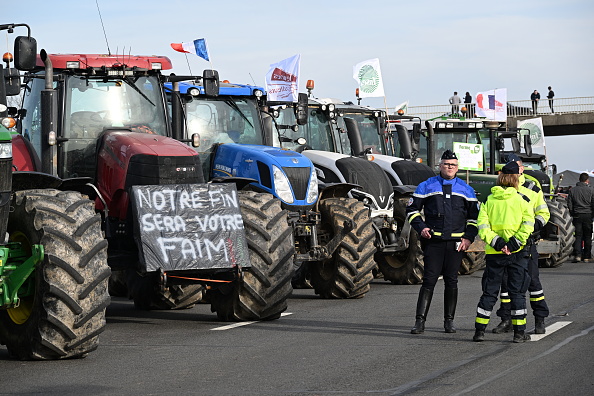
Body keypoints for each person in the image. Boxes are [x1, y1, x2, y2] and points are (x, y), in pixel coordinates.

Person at [406, 150, 479, 334]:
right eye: (446, 164)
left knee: (451, 281)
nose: (449, 167)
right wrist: (421, 227)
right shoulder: (426, 186)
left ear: (457, 167)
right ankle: (419, 322)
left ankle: (449, 322)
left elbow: (474, 218)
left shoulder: (466, 189)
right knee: (429, 280)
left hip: (456, 244)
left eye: (453, 165)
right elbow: (412, 210)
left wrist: (468, 238)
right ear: (440, 166)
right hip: (434, 242)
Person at [473, 161, 534, 343]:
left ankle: (479, 332)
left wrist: (498, 243)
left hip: (494, 253)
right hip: (516, 253)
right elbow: (528, 225)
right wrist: (513, 244)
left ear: (500, 177)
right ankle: (519, 333)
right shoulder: (522, 200)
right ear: (516, 178)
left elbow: (482, 227)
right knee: (517, 293)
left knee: (489, 293)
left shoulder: (488, 200)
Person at [492, 154, 550, 335]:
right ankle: (506, 319)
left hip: (526, 244)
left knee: (532, 282)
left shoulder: (532, 188)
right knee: (506, 285)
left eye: (516, 166)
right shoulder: (499, 189)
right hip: (505, 246)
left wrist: (531, 229)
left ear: (521, 168)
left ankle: (539, 319)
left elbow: (543, 213)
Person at [567, 172, 594, 262]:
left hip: (577, 215)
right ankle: (587, 256)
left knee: (578, 236)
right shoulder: (591, 190)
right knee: (587, 236)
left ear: (579, 179)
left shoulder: (572, 190)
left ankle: (577, 255)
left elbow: (569, 204)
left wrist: (572, 213)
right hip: (588, 215)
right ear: (587, 180)